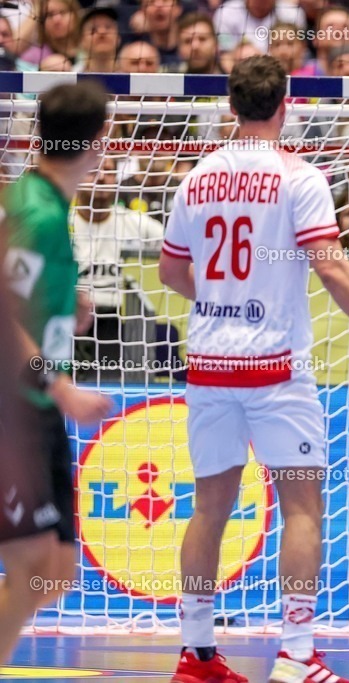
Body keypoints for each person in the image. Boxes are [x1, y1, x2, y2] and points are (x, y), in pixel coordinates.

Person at [159, 55, 349, 683]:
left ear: (230, 105)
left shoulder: (196, 178)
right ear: (286, 104)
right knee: (301, 505)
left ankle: (195, 658)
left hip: (210, 365)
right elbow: (329, 265)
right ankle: (297, 656)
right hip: (274, 370)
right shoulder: (297, 177)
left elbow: (171, 272)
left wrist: (222, 302)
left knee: (209, 507)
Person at [0, 81, 113, 665]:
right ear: (100, 141)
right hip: (14, 409)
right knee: (31, 566)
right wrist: (59, 383)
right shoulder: (35, 211)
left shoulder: (48, 207)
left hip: (35, 412)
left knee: (57, 573)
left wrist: (72, 301)